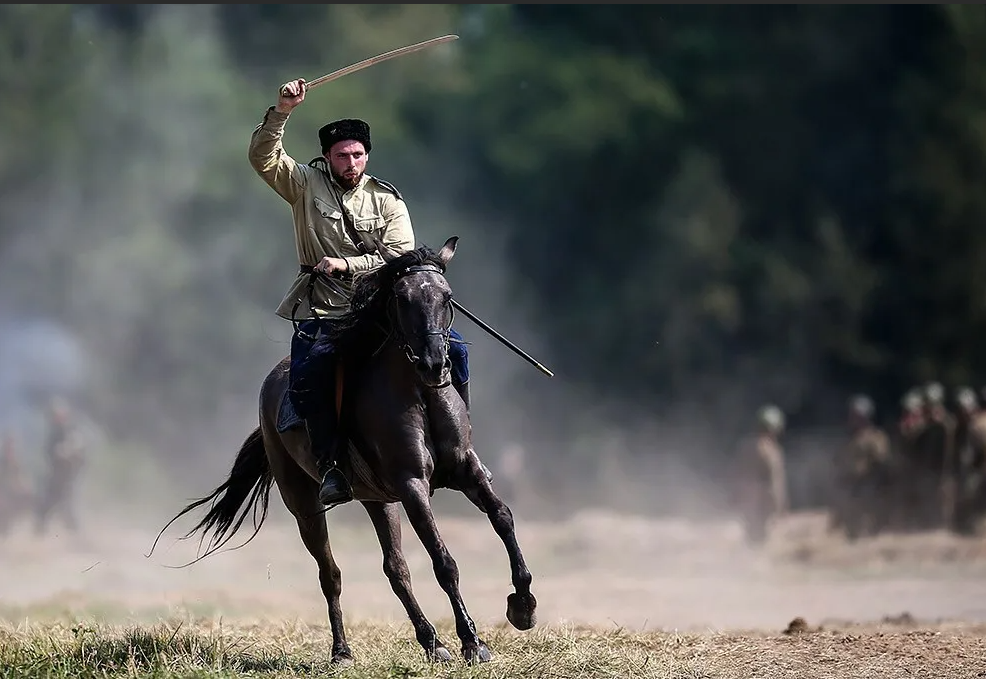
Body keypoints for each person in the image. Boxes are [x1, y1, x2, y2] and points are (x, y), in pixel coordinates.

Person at [248, 78, 474, 507]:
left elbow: (399, 257)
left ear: (366, 155)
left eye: (357, 155)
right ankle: (331, 463)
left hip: (381, 312)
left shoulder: (388, 200)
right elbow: (262, 158)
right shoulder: (303, 185)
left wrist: (347, 264)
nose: (350, 162)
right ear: (327, 157)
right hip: (327, 309)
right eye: (341, 155)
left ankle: (459, 447)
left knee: (456, 349)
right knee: (312, 370)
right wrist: (282, 111)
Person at [832, 395, 893, 540]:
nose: (852, 419)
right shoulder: (850, 440)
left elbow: (882, 463)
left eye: (856, 416)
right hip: (851, 490)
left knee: (869, 527)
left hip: (869, 489)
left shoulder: (876, 437)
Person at [732, 404, 788, 545]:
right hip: (764, 503)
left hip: (748, 502)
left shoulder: (746, 447)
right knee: (762, 541)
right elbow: (775, 482)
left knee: (750, 539)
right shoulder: (771, 451)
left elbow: (737, 475)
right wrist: (779, 507)